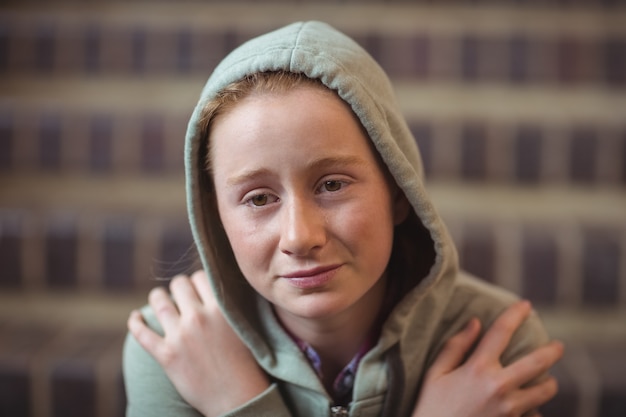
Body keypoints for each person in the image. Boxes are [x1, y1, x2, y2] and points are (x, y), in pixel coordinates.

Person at [123, 21, 563, 417]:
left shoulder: (491, 348)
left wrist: (236, 408)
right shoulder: (177, 346)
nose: (300, 237)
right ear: (215, 215)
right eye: (258, 198)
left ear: (397, 191)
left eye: (332, 185)